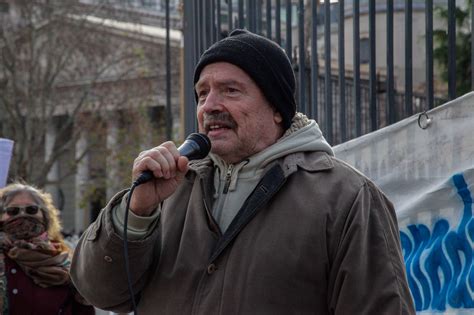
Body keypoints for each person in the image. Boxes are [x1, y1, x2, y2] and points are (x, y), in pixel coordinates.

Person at [70, 29, 415, 314]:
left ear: (277, 109)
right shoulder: (169, 190)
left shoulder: (347, 198)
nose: (210, 105)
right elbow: (101, 294)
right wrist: (136, 213)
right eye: (202, 93)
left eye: (230, 90)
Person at [0, 182, 95, 314]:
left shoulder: (66, 264)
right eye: (12, 211)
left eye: (31, 210)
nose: (22, 215)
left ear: (44, 216)